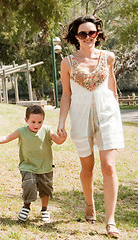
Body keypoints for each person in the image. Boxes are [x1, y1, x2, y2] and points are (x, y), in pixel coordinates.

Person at [57, 15, 124, 238]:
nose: (88, 37)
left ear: (98, 34)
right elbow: (66, 95)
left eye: (92, 33)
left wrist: (116, 115)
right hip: (80, 118)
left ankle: (110, 221)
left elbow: (112, 89)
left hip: (107, 117)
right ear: (76, 37)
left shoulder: (108, 58)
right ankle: (89, 203)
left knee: (108, 167)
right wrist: (61, 122)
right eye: (83, 34)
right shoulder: (67, 62)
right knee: (88, 168)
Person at [0, 105, 66, 223]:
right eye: (33, 122)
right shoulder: (21, 131)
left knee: (45, 189)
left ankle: (44, 210)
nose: (36, 125)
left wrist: (63, 137)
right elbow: (6, 138)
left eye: (39, 122)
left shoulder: (46, 130)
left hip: (45, 167)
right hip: (28, 166)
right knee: (28, 184)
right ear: (26, 120)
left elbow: (58, 141)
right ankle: (26, 206)